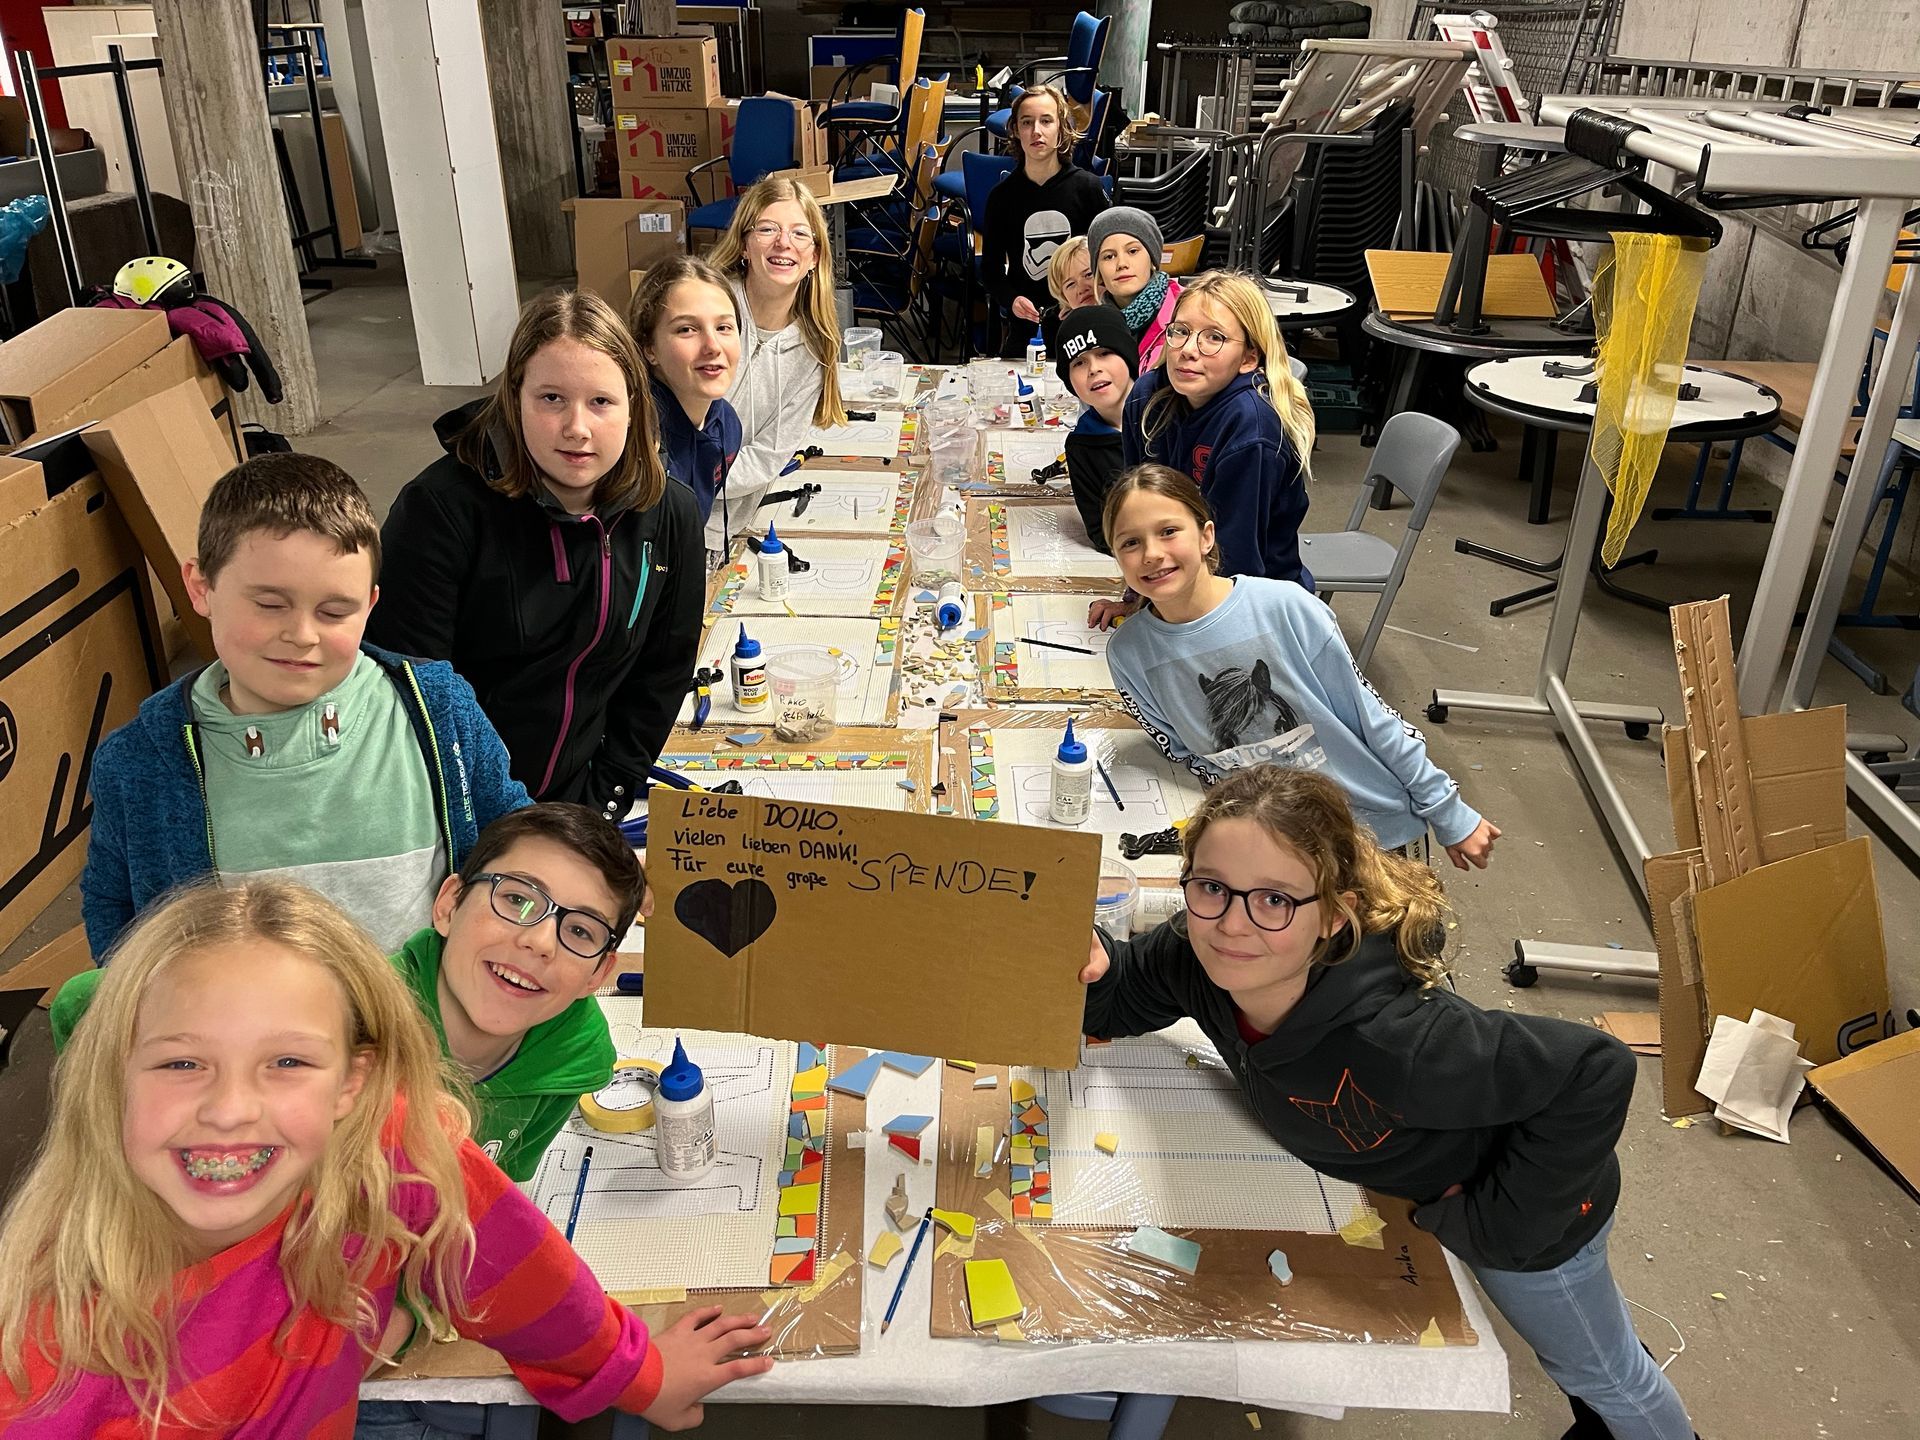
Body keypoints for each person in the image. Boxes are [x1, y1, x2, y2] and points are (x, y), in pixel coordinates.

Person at [0, 881, 773, 1436]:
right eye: (181, 1063)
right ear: (114, 1075)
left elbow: (509, 1261)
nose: (230, 1110)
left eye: (287, 1063)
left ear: (353, 1082)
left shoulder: (385, 1139)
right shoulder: (44, 1374)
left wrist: (635, 1372)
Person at [1077, 767, 1694, 1440]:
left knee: (1600, 1371)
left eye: (1275, 899)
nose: (1231, 923)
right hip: (1442, 1180)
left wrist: (1494, 1230)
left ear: (1333, 916)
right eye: (1211, 887)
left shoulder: (1398, 1041)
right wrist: (1100, 970)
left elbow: (1594, 1071)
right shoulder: (1200, 958)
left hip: (1539, 1214)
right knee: (1592, 1348)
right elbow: (1129, 991)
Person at [52, 803, 651, 1183]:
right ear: (448, 905)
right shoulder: (337, 1008)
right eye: (516, 898)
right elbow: (82, 1002)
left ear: (599, 975)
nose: (539, 941)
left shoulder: (574, 1063)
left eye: (580, 931)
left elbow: (499, 1189)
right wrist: (109, 1148)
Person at [81, 454, 529, 960]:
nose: (302, 635)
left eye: (335, 611)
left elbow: (515, 840)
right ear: (201, 588)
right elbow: (112, 903)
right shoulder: (137, 762)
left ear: (370, 606)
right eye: (270, 604)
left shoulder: (440, 710)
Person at [367, 288, 704, 815]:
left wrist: (601, 801)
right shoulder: (439, 511)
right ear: (514, 398)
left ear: (633, 406)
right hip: (455, 807)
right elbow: (413, 696)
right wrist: (496, 826)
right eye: (551, 399)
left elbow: (661, 674)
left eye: (600, 402)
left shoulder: (670, 515)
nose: (576, 428)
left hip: (577, 800)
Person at [1100, 466, 1499, 867]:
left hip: (1375, 832)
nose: (1151, 554)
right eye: (1130, 542)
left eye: (1168, 531)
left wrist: (1447, 810)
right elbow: (1186, 751)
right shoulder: (1129, 654)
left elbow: (1372, 719)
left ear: (1206, 536)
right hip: (1271, 841)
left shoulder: (1285, 608)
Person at [1110, 269, 1316, 602]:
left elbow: (1237, 564)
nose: (1189, 349)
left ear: (1249, 357)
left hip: (1254, 599)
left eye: (1214, 338)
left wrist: (1165, 618)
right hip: (1174, 579)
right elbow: (1137, 511)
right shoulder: (1147, 397)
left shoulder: (1252, 430)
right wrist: (1135, 600)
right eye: (1181, 331)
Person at [703, 177, 848, 557]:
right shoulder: (706, 310)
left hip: (726, 524)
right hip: (658, 503)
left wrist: (701, 482)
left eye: (800, 234)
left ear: (814, 257)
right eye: (767, 229)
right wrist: (679, 482)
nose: (784, 243)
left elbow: (767, 455)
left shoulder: (813, 349)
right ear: (745, 245)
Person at [628, 256, 744, 568]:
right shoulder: (632, 438)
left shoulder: (727, 426)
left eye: (724, 327)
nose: (712, 346)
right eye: (687, 329)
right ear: (649, 348)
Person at [981, 83, 1109, 359]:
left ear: (1061, 128)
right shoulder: (1002, 197)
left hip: (1082, 323)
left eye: (1046, 121)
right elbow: (990, 270)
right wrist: (1011, 300)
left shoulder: (1087, 188)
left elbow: (1107, 258)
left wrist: (1086, 298)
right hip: (1027, 327)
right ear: (1016, 130)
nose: (1036, 131)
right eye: (1027, 122)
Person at [1054, 304, 1138, 553]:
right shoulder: (1081, 446)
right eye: (1079, 362)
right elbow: (1100, 531)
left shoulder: (1170, 415)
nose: (1094, 369)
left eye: (1104, 353)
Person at [1087, 207, 1181, 368]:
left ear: (1152, 259)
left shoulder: (1186, 310)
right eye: (1109, 256)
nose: (1121, 264)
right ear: (1098, 271)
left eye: (1132, 251)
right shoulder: (1093, 327)